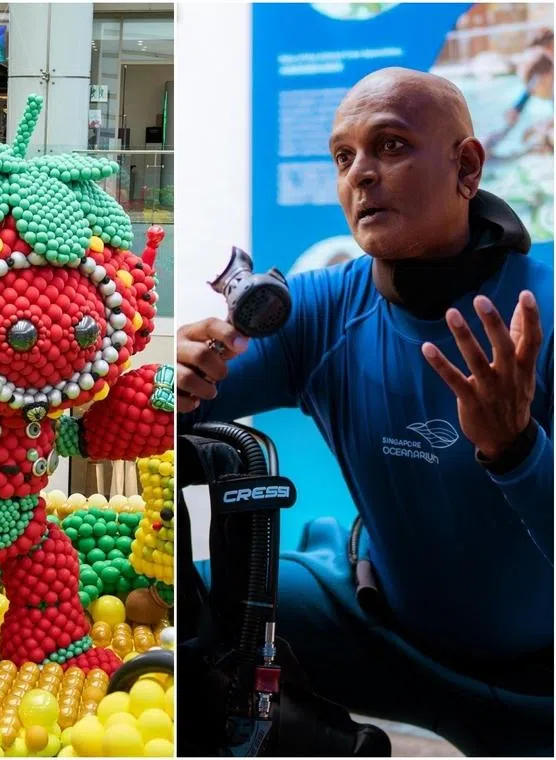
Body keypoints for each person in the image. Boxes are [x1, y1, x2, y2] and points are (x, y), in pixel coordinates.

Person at [178, 67, 552, 756]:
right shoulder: (320, 309)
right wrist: (178, 377)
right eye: (344, 157)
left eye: (391, 146)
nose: (361, 175)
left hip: (542, 686)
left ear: (467, 167)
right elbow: (148, 419)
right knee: (186, 610)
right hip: (381, 632)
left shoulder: (543, 307)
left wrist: (516, 451)